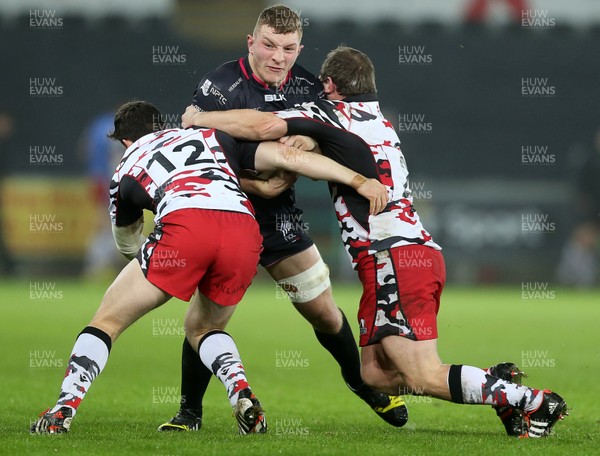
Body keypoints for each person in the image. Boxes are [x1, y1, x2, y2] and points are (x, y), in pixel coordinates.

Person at [181, 46, 569, 438]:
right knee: (376, 375)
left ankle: (533, 400)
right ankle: (495, 383)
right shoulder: (380, 121)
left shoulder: (330, 113)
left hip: (394, 257)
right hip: (406, 254)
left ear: (330, 85)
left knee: (421, 373)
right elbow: (329, 147)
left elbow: (262, 126)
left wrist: (199, 118)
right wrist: (311, 144)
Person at [30, 100, 387, 435]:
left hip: (185, 228)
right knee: (203, 328)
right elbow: (287, 157)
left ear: (124, 140)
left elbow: (126, 242)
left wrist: (155, 265)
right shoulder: (209, 135)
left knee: (106, 321)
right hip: (245, 231)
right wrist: (356, 179)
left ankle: (63, 410)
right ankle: (242, 393)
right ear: (162, 125)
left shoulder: (127, 164)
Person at [159, 4, 408, 432]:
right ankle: (189, 412)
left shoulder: (310, 87)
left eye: (288, 48)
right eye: (269, 45)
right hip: (226, 211)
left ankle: (363, 385)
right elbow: (199, 156)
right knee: (208, 320)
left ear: (299, 48)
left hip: (279, 218)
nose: (278, 56)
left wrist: (302, 151)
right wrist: (259, 182)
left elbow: (324, 139)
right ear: (251, 43)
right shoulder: (220, 85)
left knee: (326, 313)